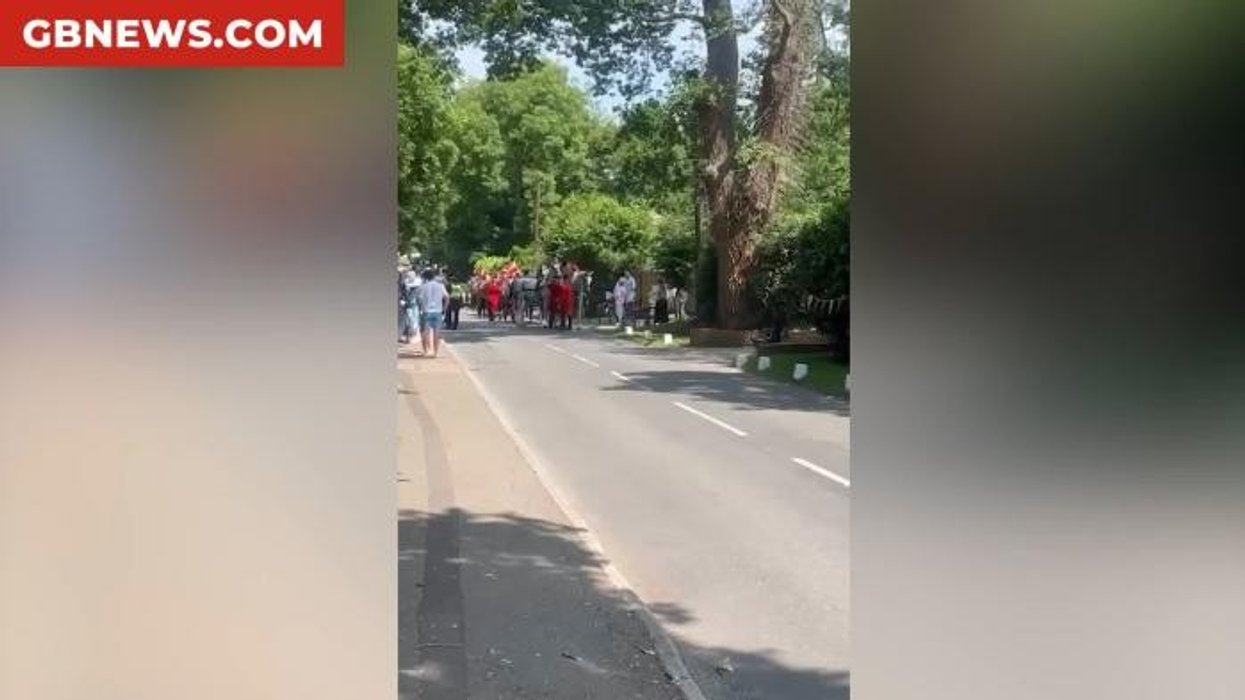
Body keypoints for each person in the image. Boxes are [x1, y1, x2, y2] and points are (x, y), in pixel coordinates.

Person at [415, 269, 449, 358]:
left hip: (426, 311)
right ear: (433, 277)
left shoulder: (422, 287)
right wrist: (444, 309)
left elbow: (418, 299)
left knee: (425, 331)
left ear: (425, 277)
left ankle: (426, 350)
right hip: (437, 311)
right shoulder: (440, 286)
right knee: (437, 332)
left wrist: (420, 307)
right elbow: (447, 297)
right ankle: (435, 352)